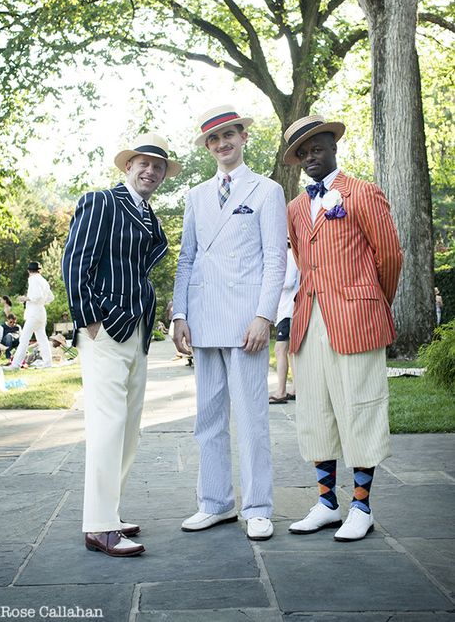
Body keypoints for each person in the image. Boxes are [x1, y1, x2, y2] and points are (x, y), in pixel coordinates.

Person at [283, 115, 403, 542]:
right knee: (315, 410)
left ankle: (362, 507)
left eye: (316, 147)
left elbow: (389, 256)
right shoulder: (295, 207)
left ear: (333, 145)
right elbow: (301, 259)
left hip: (357, 317)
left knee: (360, 408)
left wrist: (371, 301)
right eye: (302, 153)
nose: (310, 157)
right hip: (309, 318)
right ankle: (327, 504)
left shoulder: (363, 193)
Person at [62, 132, 181, 558]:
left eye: (158, 166)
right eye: (143, 163)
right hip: (104, 329)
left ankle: (108, 512)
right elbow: (75, 260)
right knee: (108, 424)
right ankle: (98, 526)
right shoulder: (101, 201)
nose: (150, 170)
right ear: (127, 166)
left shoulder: (149, 215)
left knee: (129, 428)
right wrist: (88, 319)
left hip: (138, 330)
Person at [173, 104, 287, 541]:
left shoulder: (266, 189)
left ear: (244, 138)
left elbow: (276, 258)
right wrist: (180, 313)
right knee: (208, 418)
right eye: (214, 140)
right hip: (203, 319)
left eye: (229, 136)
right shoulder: (197, 195)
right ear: (208, 147)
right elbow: (187, 258)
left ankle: (257, 506)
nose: (222, 144)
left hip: (246, 323)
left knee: (252, 417)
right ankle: (215, 503)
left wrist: (264, 315)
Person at [5, 263, 54, 371]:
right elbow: (50, 297)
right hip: (41, 311)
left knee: (24, 339)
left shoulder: (33, 279)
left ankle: (15, 365)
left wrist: (25, 298)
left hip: (34, 313)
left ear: (29, 271)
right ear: (39, 270)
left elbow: (37, 296)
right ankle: (48, 363)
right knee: (42, 338)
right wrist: (40, 301)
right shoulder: (43, 280)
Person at [268, 241, 300, 404]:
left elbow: (288, 282)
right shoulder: (290, 255)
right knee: (290, 351)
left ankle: (281, 391)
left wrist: (271, 282)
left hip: (289, 309)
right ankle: (295, 388)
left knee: (281, 349)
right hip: (285, 310)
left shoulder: (289, 255)